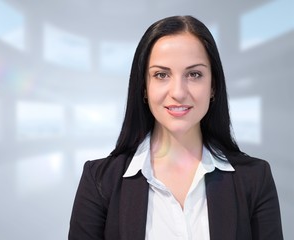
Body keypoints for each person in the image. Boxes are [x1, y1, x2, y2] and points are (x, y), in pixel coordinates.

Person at [68, 15, 283, 240]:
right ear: (143, 87)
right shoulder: (100, 181)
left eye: (194, 74)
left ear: (213, 87)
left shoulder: (255, 179)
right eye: (161, 75)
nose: (178, 92)